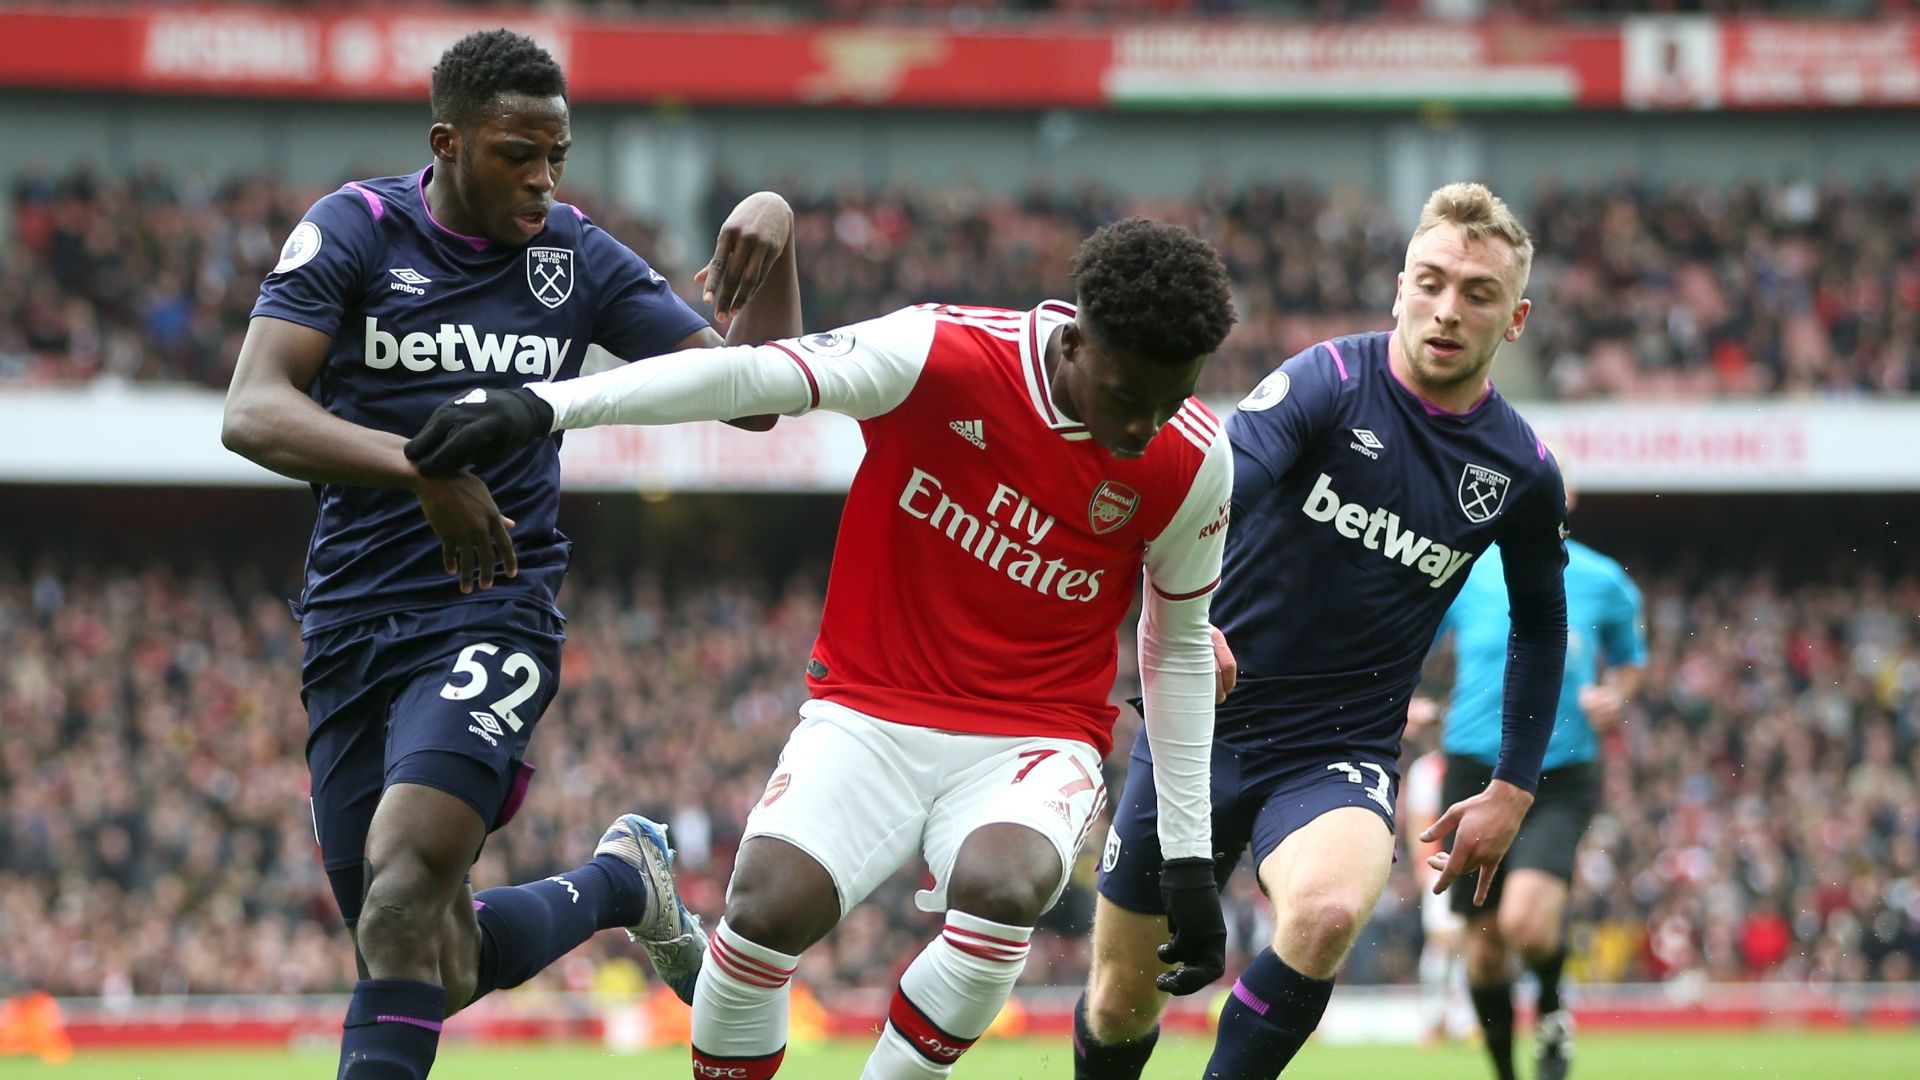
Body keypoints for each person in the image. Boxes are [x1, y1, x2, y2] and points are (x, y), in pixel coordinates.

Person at [403, 216, 1241, 1080]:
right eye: (1126, 396)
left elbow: (1176, 646)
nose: (1145, 427)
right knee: (764, 909)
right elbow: (750, 375)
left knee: (1006, 885)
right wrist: (542, 405)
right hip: (869, 709)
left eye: (1168, 401)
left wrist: (1187, 860)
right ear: (1073, 344)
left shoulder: (1192, 457)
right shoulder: (940, 353)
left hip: (1034, 733)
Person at [219, 29, 802, 1080]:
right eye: (514, 155)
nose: (541, 180)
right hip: (351, 623)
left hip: (494, 609)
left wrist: (779, 236)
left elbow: (754, 404)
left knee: (400, 892)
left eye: (557, 157)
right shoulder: (356, 228)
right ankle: (623, 884)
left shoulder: (572, 255)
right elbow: (253, 411)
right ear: (445, 142)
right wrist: (423, 469)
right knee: (423, 956)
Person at [1075, 181, 1569, 1080]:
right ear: (1398, 287)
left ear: (1517, 318)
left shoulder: (1523, 471)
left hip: (1336, 749)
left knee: (1328, 914)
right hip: (1204, 718)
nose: (1447, 309)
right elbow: (1211, 493)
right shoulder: (1327, 382)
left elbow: (1542, 622)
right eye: (1431, 281)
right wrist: (1182, 621)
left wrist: (1514, 786)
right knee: (1119, 998)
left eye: (1478, 292)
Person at [1427, 456, 1646, 1080]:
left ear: (1565, 495)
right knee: (1485, 950)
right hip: (1472, 764)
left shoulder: (1604, 580)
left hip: (1560, 771)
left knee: (1525, 921)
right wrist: (1405, 698)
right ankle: (1506, 1072)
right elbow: (1413, 636)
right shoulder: (1468, 572)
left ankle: (1551, 1003)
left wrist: (1617, 693)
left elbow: (1631, 658)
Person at [1402, 698, 1474, 1051]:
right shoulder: (1426, 771)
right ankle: (1435, 1020)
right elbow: (1421, 826)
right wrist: (1423, 873)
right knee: (1443, 941)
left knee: (1467, 942)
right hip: (1439, 868)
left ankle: (1463, 1022)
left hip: (1472, 867)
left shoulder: (1478, 768)